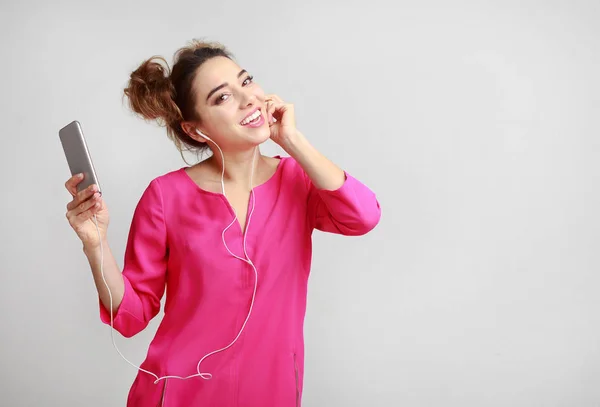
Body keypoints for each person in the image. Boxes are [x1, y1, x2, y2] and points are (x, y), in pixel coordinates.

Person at [64, 39, 381, 406]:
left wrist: (293, 140)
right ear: (196, 129)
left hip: (270, 393)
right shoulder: (166, 196)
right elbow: (131, 316)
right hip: (178, 393)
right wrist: (95, 243)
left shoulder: (298, 180)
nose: (248, 98)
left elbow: (363, 217)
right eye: (222, 97)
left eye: (246, 81)